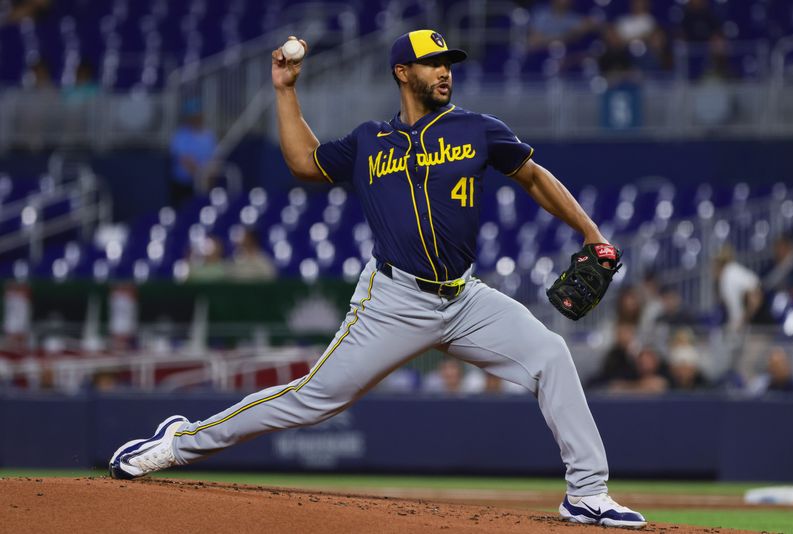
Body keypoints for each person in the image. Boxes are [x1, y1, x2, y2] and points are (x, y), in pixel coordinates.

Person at [109, 30, 646, 529]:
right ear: (401, 72)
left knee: (551, 355)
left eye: (448, 63)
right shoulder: (371, 140)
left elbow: (532, 175)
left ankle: (586, 492)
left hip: (465, 299)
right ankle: (178, 443)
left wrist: (591, 233)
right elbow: (304, 163)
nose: (444, 71)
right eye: (431, 63)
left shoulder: (476, 129)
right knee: (313, 399)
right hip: (392, 299)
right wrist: (285, 90)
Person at [169, 99, 218, 209]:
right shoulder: (180, 136)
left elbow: (215, 158)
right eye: (193, 116)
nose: (197, 118)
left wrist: (210, 176)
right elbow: (185, 160)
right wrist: (201, 176)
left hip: (207, 185)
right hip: (184, 186)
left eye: (199, 115)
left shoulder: (209, 135)